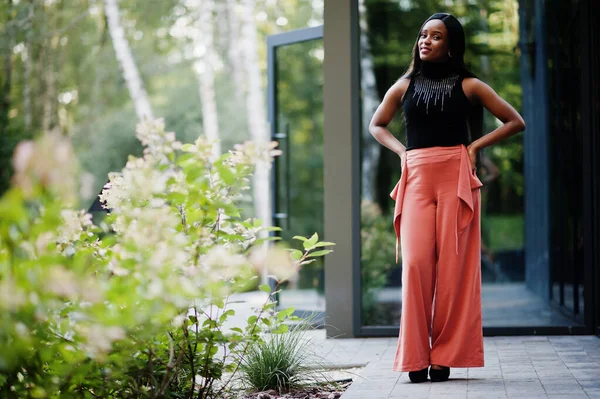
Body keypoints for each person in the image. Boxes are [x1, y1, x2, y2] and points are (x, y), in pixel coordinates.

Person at [368, 13, 525, 383]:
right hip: (418, 178)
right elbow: (377, 124)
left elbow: (515, 121)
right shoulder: (404, 85)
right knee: (416, 266)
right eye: (423, 35)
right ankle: (414, 356)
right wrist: (401, 152)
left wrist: (474, 146)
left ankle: (444, 357)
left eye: (435, 36)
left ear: (450, 44)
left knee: (454, 271)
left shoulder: (470, 85)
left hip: (455, 176)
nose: (425, 41)